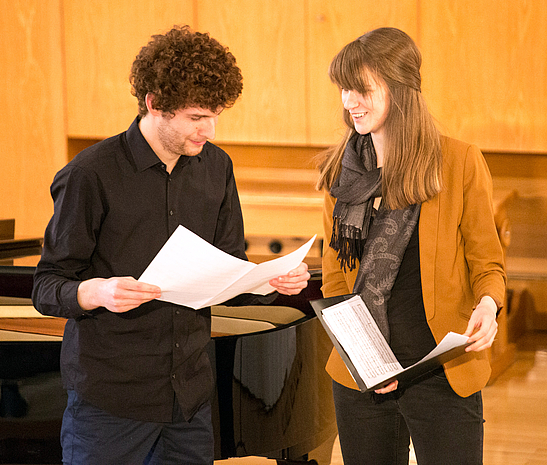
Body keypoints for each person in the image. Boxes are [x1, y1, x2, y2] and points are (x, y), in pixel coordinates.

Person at [32, 25, 309, 465]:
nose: (209, 131)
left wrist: (269, 281)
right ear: (154, 104)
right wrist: (97, 291)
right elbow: (47, 285)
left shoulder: (217, 168)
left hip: (189, 399)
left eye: (215, 115)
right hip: (110, 403)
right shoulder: (90, 174)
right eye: (196, 118)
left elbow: (229, 269)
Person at [315, 27, 506, 465]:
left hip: (441, 371)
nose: (349, 101)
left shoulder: (459, 162)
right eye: (344, 88)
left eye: (362, 89)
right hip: (362, 375)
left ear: (400, 89)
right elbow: (337, 279)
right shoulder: (341, 172)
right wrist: (365, 360)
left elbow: (488, 263)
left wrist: (488, 305)